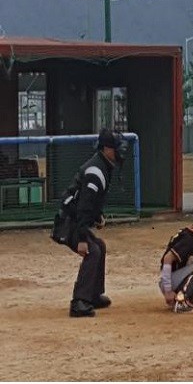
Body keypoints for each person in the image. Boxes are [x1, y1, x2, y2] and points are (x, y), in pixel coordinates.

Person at [53, 128, 127, 317]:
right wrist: (81, 239)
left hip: (75, 219)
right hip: (68, 222)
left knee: (99, 246)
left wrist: (98, 216)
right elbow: (83, 208)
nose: (120, 151)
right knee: (92, 250)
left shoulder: (103, 165)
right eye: (117, 147)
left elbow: (91, 203)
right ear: (106, 149)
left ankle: (93, 295)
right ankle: (79, 302)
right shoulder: (96, 171)